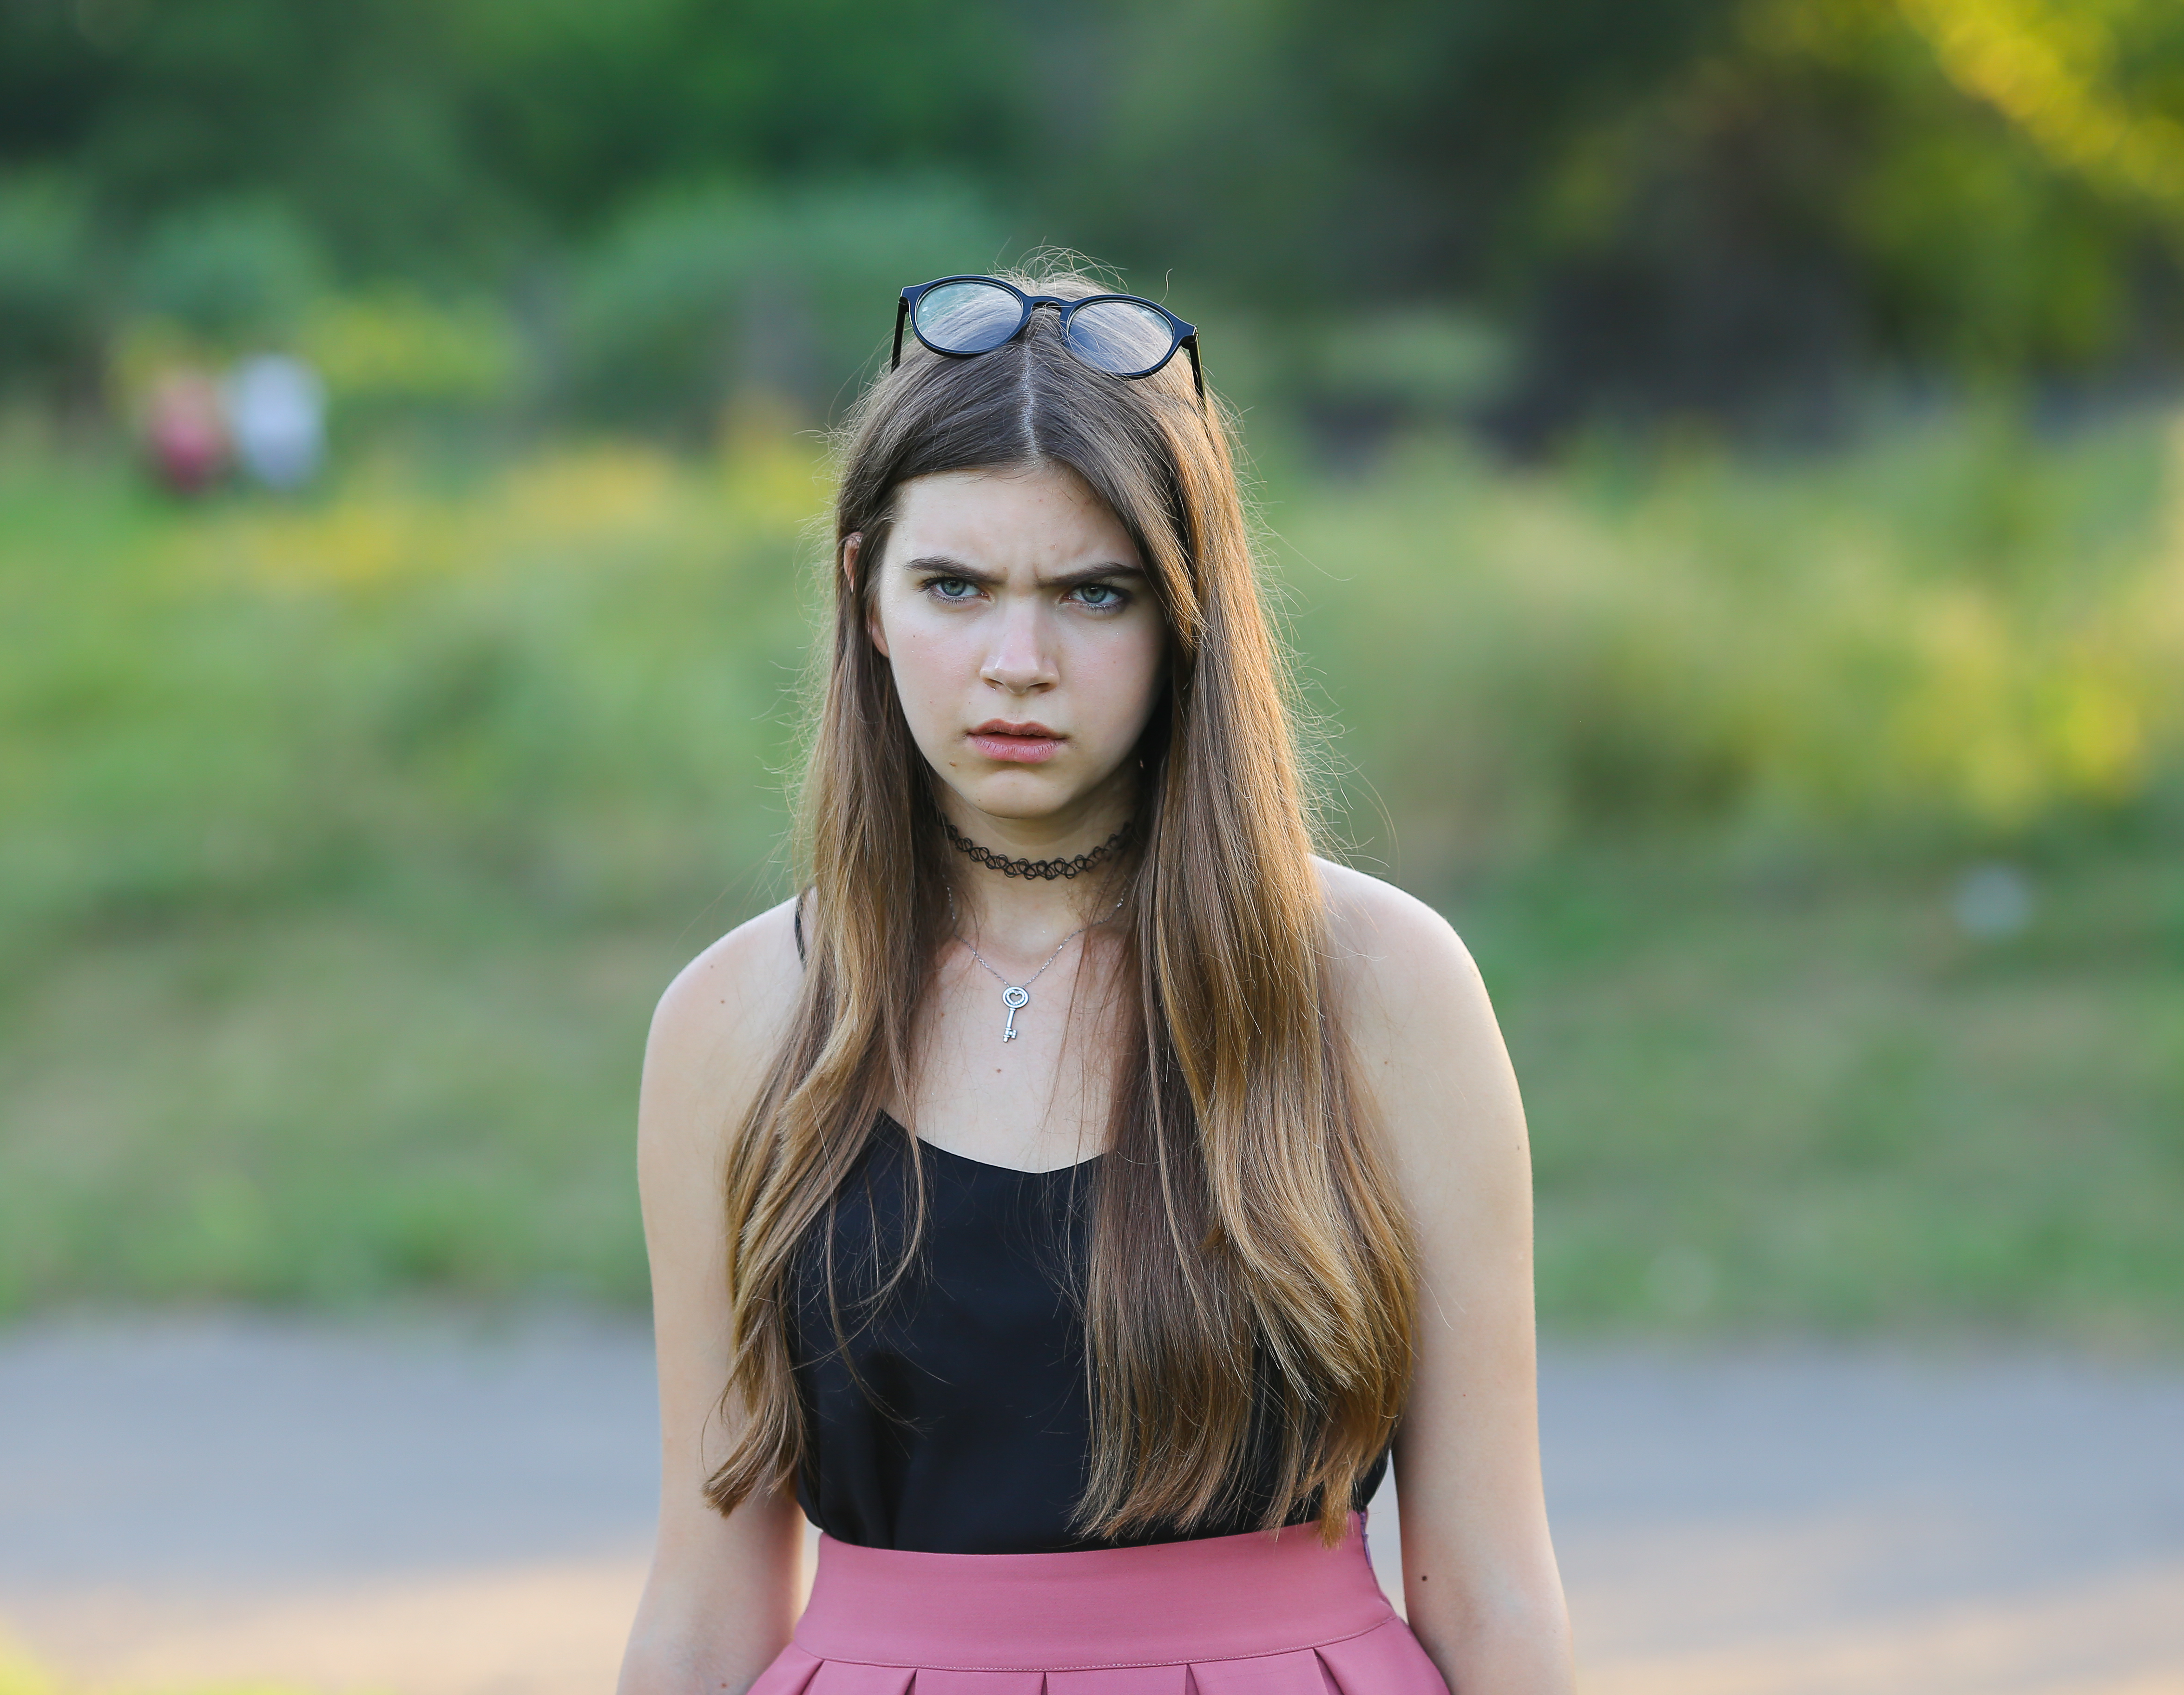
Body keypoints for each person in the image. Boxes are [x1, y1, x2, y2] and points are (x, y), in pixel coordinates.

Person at [621, 266, 1573, 1694]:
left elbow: (1491, 1583)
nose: (1018, 663)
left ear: (1186, 615)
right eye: (953, 586)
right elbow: (707, 1601)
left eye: (1093, 594)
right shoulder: (737, 1020)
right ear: (864, 596)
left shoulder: (1381, 987)